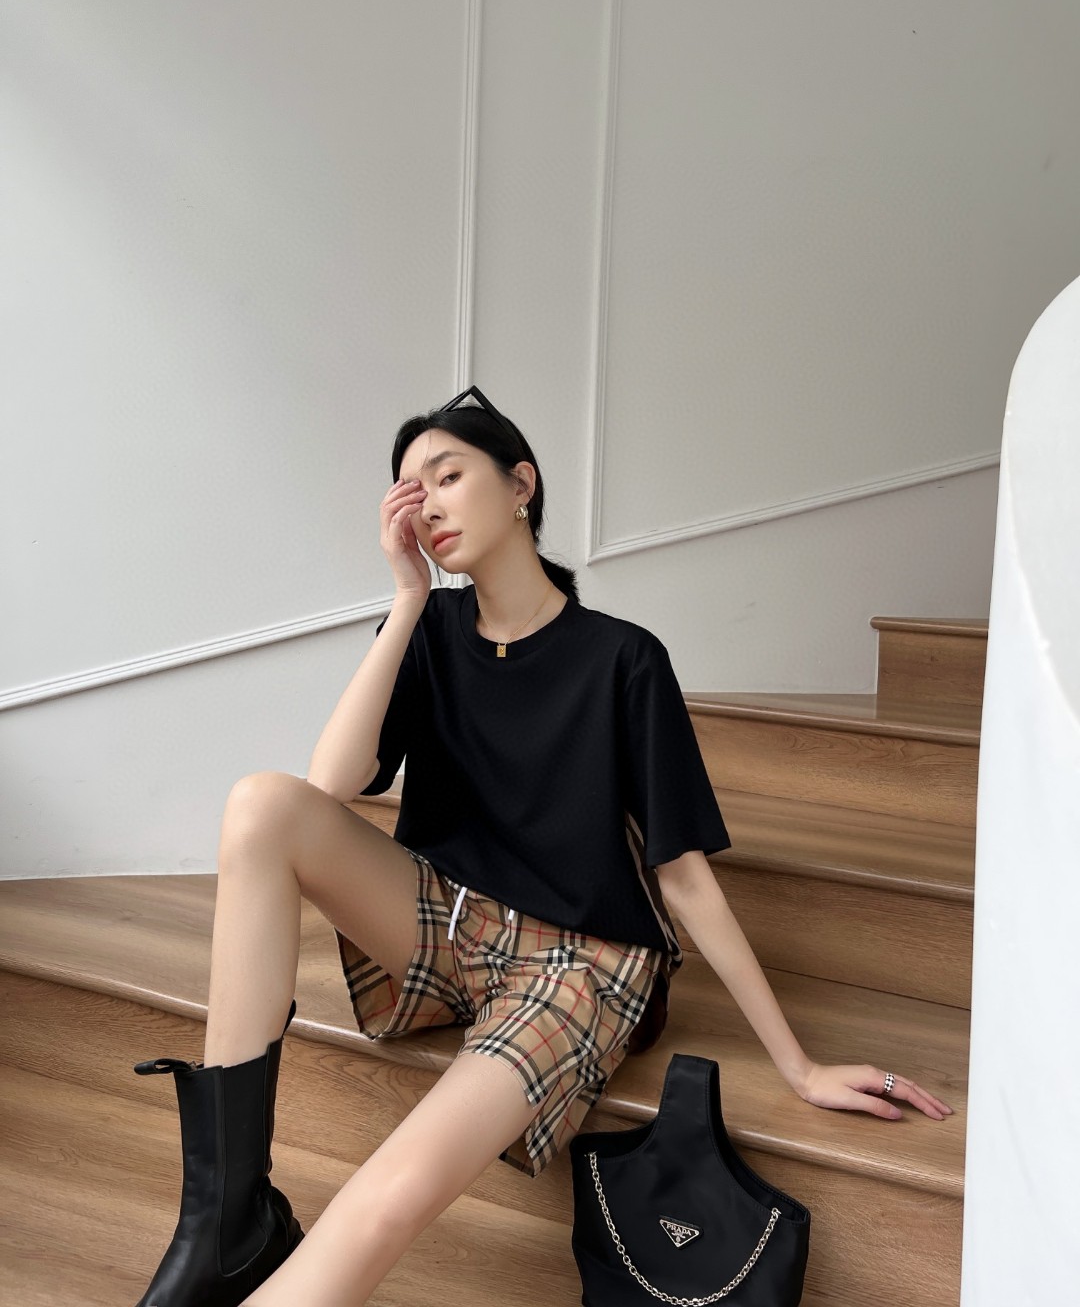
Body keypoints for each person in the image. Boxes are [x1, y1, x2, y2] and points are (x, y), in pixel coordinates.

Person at [133, 385, 953, 1307]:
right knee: (260, 803)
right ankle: (226, 1216)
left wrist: (798, 1066)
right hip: (452, 925)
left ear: (521, 484)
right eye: (411, 489)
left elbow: (683, 877)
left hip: (580, 965)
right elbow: (330, 786)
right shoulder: (429, 631)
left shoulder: (623, 659)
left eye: (449, 475)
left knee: (385, 1196)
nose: (428, 505)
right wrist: (406, 598)